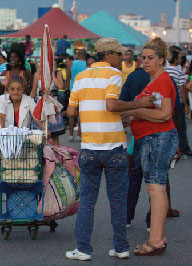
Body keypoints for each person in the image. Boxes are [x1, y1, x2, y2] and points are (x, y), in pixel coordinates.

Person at [65, 37, 154, 261]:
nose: (122, 58)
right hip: (113, 147)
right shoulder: (113, 75)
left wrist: (90, 110)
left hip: (89, 148)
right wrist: (139, 104)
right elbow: (111, 104)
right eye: (118, 54)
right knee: (117, 200)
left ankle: (83, 249)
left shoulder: (81, 77)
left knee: (87, 200)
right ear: (108, 55)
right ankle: (121, 247)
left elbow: (71, 113)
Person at [122, 38, 179, 256]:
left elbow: (164, 113)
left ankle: (155, 241)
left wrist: (135, 111)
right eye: (143, 58)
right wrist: (134, 113)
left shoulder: (162, 81)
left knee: (155, 188)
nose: (145, 61)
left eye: (150, 58)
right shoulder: (154, 81)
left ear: (161, 60)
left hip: (157, 137)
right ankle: (158, 238)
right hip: (153, 138)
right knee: (157, 188)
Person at [164, 46, 192, 156]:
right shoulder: (178, 71)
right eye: (179, 58)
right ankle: (184, 148)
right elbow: (181, 88)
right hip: (177, 103)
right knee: (180, 127)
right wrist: (186, 104)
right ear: (175, 59)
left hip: (166, 102)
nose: (180, 59)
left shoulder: (165, 70)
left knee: (168, 127)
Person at [68, 49, 87, 142]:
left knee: (72, 113)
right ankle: (79, 135)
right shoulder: (87, 65)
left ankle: (71, 135)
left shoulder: (73, 63)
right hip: (84, 90)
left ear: (77, 54)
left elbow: (68, 76)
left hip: (73, 89)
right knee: (81, 113)